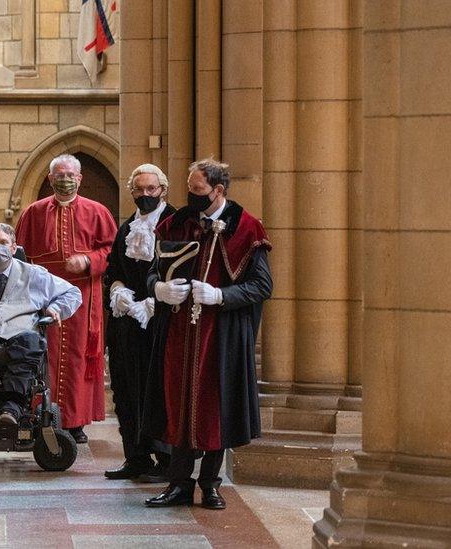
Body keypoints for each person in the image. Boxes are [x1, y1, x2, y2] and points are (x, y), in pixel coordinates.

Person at [143, 159, 272, 510]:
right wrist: (159, 289)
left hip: (221, 335)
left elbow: (262, 286)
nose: (191, 196)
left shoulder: (247, 228)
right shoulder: (176, 224)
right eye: (189, 189)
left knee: (216, 408)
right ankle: (179, 484)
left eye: (198, 190)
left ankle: (210, 484)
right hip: (179, 334)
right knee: (179, 405)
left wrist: (220, 296)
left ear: (219, 190)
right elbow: (153, 273)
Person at [14, 154, 117, 443]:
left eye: (70, 174)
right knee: (43, 358)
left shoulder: (98, 212)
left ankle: (75, 422)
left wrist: (87, 260)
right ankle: (39, 417)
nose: (65, 179)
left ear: (80, 178)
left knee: (77, 359)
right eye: (59, 174)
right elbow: (20, 256)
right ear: (50, 179)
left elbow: (112, 252)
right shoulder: (32, 213)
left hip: (84, 300)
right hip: (43, 298)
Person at [0, 223, 82, 423]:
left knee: (30, 341)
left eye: (4, 242)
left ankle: (12, 408)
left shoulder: (34, 274)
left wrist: (55, 308)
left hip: (20, 332)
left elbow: (72, 292)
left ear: (14, 248)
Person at [103, 164, 176, 482]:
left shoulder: (176, 224)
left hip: (162, 323)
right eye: (139, 190)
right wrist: (117, 289)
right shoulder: (126, 227)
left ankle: (167, 459)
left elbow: (183, 270)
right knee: (126, 389)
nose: (145, 195)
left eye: (151, 189)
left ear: (163, 189)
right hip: (128, 323)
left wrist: (155, 299)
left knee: (158, 390)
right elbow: (113, 268)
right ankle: (136, 456)